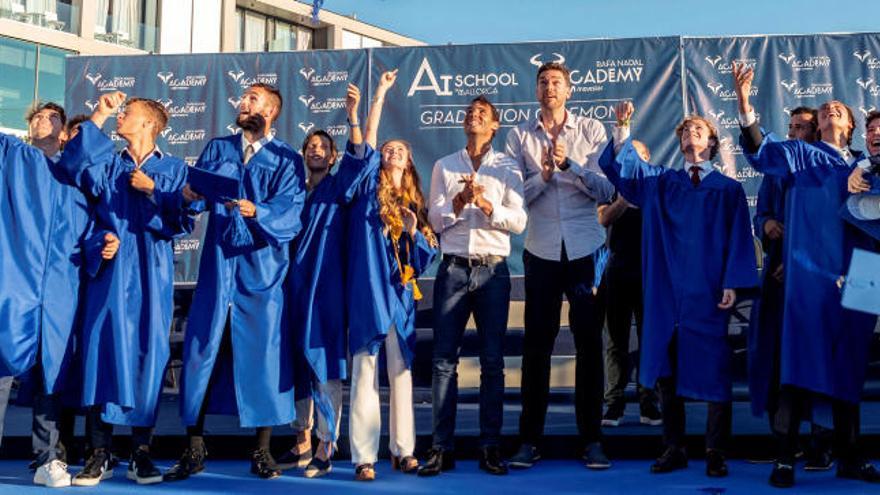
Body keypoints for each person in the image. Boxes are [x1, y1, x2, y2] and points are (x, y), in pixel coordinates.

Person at [733, 62, 880, 487]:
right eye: (824, 109)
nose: (831, 110)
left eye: (839, 109)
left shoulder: (870, 165)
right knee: (798, 364)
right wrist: (744, 104)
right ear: (816, 125)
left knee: (850, 366)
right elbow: (760, 152)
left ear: (851, 125)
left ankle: (850, 456)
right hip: (811, 274)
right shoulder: (802, 155)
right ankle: (784, 458)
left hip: (863, 275)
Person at [599, 101, 757, 478]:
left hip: (709, 291)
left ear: (713, 142)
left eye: (699, 129)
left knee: (716, 371)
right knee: (668, 370)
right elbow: (626, 171)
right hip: (668, 292)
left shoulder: (728, 189)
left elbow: (739, 238)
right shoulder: (662, 182)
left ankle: (716, 450)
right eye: (685, 130)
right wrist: (623, 128)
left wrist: (734, 283)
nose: (691, 134)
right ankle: (674, 447)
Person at [167, 83, 306, 481]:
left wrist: (256, 210)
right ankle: (193, 448)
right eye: (243, 99)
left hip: (261, 273)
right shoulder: (218, 148)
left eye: (254, 99)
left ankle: (261, 451)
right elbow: (196, 199)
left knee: (263, 358)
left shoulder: (285, 159)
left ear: (272, 111)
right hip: (218, 268)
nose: (244, 104)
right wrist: (191, 195)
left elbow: (290, 214)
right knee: (201, 357)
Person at [55, 91, 191, 487]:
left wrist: (153, 190)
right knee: (103, 353)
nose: (121, 117)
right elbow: (72, 169)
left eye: (126, 113)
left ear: (148, 124)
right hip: (111, 274)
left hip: (151, 272)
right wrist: (101, 241)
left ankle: (141, 454)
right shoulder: (108, 165)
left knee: (146, 357)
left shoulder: (174, 169)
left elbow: (183, 220)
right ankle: (99, 452)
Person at [505, 61, 615, 470]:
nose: (549, 88)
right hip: (541, 249)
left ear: (569, 90)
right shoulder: (519, 136)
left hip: (587, 249)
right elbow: (516, 198)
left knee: (589, 346)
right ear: (536, 91)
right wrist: (545, 176)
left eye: (556, 82)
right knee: (537, 348)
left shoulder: (592, 130)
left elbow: (607, 190)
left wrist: (571, 166)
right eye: (543, 82)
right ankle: (529, 440)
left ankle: (593, 439)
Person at [419, 96, 526, 477]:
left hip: (493, 272)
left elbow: (518, 221)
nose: (473, 117)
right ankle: (440, 448)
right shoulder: (444, 166)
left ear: (495, 126)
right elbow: (434, 219)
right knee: (444, 362)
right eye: (469, 113)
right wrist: (459, 201)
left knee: (493, 363)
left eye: (481, 114)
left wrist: (486, 206)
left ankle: (489, 447)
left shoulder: (508, 167)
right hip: (452, 270)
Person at [275, 84, 373, 479]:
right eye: (309, 146)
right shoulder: (292, 191)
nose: (315, 149)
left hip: (326, 289)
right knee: (296, 363)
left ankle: (326, 443)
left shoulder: (338, 187)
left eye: (322, 146)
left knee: (323, 364)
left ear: (331, 157)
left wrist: (353, 116)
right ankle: (300, 439)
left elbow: (360, 157)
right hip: (291, 289)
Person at [345, 69, 437, 482]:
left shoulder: (416, 203)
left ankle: (404, 451)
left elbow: (425, 257)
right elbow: (364, 139)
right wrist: (379, 94)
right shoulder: (366, 189)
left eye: (400, 148)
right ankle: (365, 456)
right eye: (387, 148)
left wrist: (414, 229)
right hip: (369, 291)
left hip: (400, 297)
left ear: (410, 158)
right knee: (366, 370)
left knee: (401, 373)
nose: (392, 152)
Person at [0, 103, 91, 488]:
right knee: (1, 368)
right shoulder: (10, 158)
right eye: (36, 116)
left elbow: (97, 222)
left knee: (49, 373)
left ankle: (47, 458)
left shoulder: (76, 174)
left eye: (52, 116)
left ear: (66, 131)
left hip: (58, 287)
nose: (42, 120)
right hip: (11, 280)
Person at [747, 105, 833, 470]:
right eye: (793, 126)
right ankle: (785, 441)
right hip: (780, 278)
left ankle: (821, 441)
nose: (797, 132)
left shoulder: (828, 167)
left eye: (804, 127)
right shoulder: (777, 168)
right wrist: (766, 225)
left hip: (816, 277)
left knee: (819, 359)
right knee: (780, 360)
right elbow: (761, 212)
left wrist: (797, 263)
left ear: (816, 132)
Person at [597, 139, 662, 428]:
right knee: (616, 341)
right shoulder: (611, 186)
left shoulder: (657, 185)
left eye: (638, 154)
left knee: (650, 338)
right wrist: (623, 198)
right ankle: (614, 403)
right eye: (627, 154)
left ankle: (649, 401)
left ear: (647, 158)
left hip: (650, 272)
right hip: (617, 269)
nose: (631, 159)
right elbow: (603, 218)